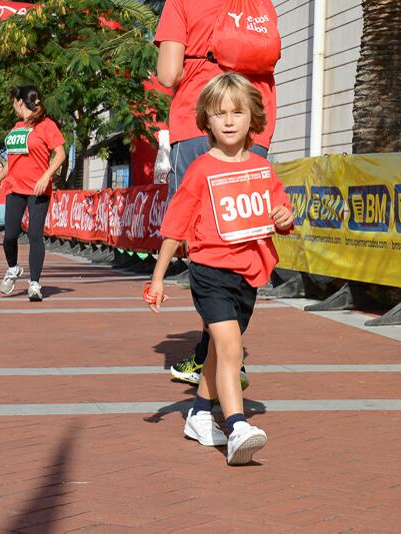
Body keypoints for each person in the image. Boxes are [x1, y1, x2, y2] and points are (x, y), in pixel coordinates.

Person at [147, 72, 293, 465]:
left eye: (237, 112)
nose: (229, 120)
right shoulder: (200, 170)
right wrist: (158, 278)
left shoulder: (264, 170)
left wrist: (283, 217)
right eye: (219, 113)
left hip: (249, 273)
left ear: (252, 119)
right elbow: (175, 227)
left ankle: (196, 414)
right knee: (231, 349)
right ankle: (237, 424)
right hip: (210, 270)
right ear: (206, 121)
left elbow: (281, 212)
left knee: (217, 351)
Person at [155, 0, 280, 387]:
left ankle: (218, 350)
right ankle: (228, 346)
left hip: (200, 119)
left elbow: (168, 73)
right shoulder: (258, 1)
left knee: (203, 239)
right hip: (253, 120)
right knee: (242, 231)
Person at [0, 86, 65, 302]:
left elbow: (60, 154)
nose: (13, 106)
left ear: (20, 102)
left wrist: (46, 177)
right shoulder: (16, 127)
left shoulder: (46, 125)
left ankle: (34, 284)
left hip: (37, 189)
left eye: (14, 102)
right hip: (14, 187)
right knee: (10, 236)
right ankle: (13, 269)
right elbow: (12, 159)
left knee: (34, 235)